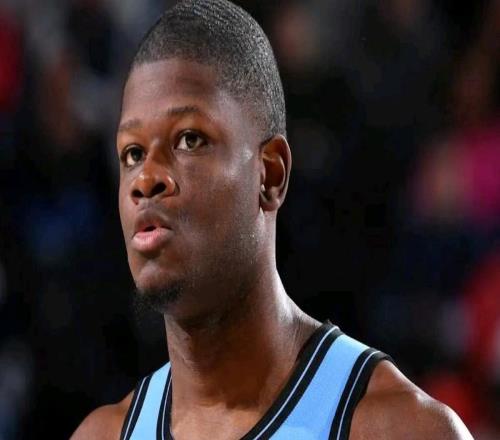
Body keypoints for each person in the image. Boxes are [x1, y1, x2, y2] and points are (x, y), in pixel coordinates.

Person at [71, 0, 473, 438]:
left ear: (270, 174)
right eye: (132, 153)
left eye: (189, 139)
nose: (146, 178)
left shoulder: (399, 427)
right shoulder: (101, 434)